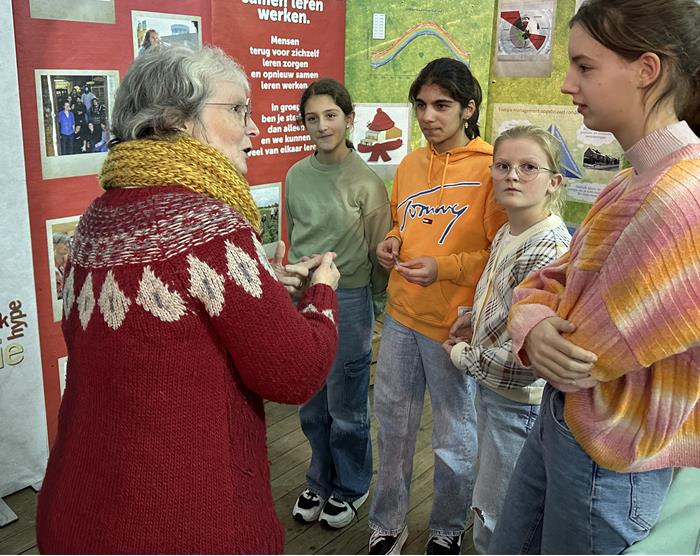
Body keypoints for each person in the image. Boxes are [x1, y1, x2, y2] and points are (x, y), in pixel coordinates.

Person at [35, 46, 341, 555]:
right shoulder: (207, 225)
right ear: (178, 119)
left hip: (81, 510)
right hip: (182, 523)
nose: (254, 127)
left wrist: (262, 286)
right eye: (239, 109)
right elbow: (294, 371)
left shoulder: (94, 222)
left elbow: (157, 340)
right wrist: (323, 291)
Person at [490, 0, 700, 555]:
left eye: (584, 66)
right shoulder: (638, 177)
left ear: (646, 70)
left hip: (610, 452)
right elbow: (553, 277)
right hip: (575, 429)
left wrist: (532, 319)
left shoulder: (682, 198)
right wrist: (532, 319)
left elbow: (587, 353)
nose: (567, 84)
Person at [369, 57, 507, 555]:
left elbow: (497, 254)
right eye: (422, 105)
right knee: (393, 428)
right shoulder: (409, 164)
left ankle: (448, 528)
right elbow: (402, 224)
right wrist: (390, 240)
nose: (429, 116)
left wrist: (443, 269)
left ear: (468, 108)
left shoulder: (492, 168)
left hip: (453, 327)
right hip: (401, 318)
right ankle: (386, 524)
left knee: (454, 438)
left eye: (442, 105)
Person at [443, 125, 571, 553]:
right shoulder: (509, 230)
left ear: (554, 181)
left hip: (517, 405)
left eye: (528, 167)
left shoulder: (547, 248)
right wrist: (471, 321)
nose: (513, 176)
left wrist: (465, 356)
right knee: (492, 503)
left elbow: (528, 360)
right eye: (503, 166)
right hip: (497, 398)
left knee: (498, 517)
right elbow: (503, 304)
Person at [286, 78, 391, 529]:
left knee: (345, 400)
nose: (321, 125)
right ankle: (319, 479)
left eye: (331, 115)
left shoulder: (366, 182)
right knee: (310, 398)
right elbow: (295, 236)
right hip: (303, 296)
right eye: (312, 118)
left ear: (349, 119)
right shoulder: (295, 175)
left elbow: (378, 252)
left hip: (348, 298)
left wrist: (379, 304)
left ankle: (351, 485)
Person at [52, 232, 72, 299]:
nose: (67, 245)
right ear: (55, 245)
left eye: (68, 243)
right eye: (64, 243)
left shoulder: (70, 262)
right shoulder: (49, 266)